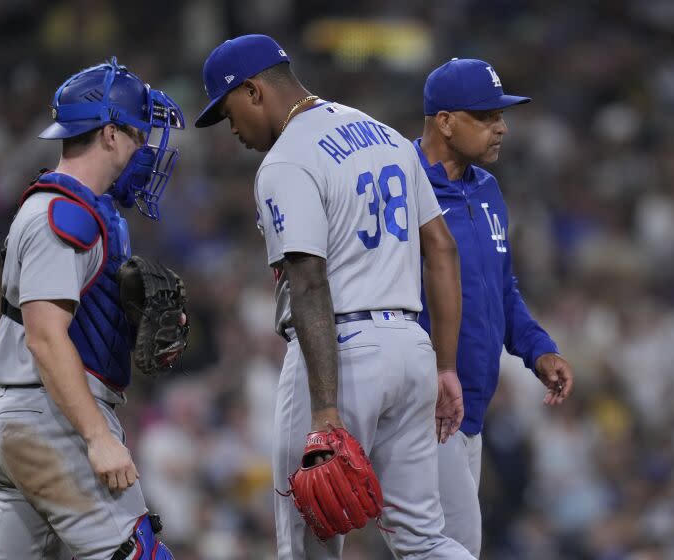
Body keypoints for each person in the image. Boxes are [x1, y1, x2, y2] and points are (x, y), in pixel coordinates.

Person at [194, 35, 475, 559]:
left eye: (228, 112)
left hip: (339, 356)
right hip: (410, 346)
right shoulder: (386, 135)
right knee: (424, 540)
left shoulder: (285, 161)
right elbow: (442, 248)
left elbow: (308, 281)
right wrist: (444, 365)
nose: (230, 129)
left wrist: (325, 409)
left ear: (254, 91)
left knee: (307, 546)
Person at [0, 58, 184, 559]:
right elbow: (46, 336)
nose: (144, 148)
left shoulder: (77, 206)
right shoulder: (63, 213)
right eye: (138, 133)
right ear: (110, 134)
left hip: (28, 416)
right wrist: (96, 436)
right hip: (53, 421)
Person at [414, 58, 575, 557]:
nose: (501, 126)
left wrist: (538, 350)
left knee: (455, 547)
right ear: (444, 121)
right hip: (424, 404)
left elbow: (502, 291)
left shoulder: (487, 190)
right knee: (446, 547)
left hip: (472, 410)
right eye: (485, 116)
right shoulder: (400, 186)